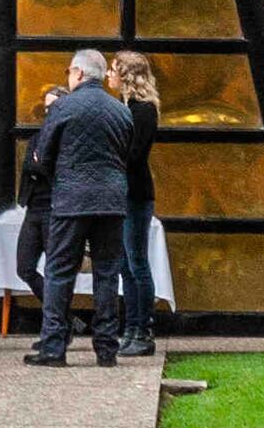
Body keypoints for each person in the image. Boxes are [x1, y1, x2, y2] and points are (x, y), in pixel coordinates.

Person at [22, 50, 147, 367]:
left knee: (60, 272)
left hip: (71, 201)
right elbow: (126, 154)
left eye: (69, 72)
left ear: (77, 73)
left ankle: (54, 347)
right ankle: (106, 349)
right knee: (107, 273)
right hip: (111, 202)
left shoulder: (63, 107)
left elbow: (43, 157)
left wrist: (61, 175)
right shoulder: (121, 111)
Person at [104, 49, 168, 360]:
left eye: (113, 69)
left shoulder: (143, 110)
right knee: (126, 265)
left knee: (137, 261)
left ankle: (143, 329)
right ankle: (131, 327)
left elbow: (134, 154)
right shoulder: (125, 107)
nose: (109, 75)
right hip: (123, 192)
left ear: (126, 75)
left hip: (135, 193)